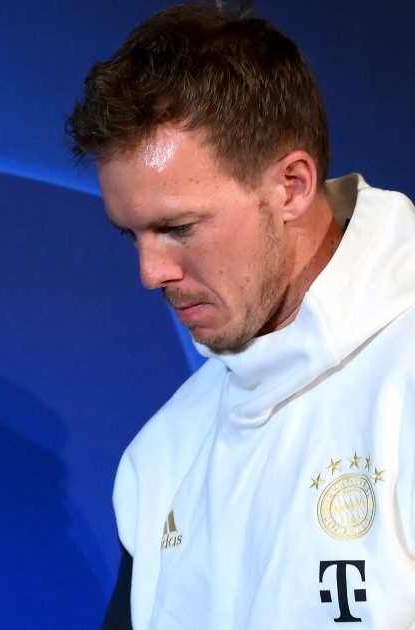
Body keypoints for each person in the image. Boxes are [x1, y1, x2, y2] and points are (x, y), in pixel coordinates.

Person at [67, 3, 415, 628]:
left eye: (178, 228)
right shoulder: (160, 459)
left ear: (292, 186)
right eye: (132, 235)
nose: (151, 273)